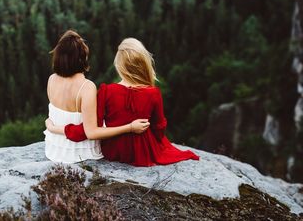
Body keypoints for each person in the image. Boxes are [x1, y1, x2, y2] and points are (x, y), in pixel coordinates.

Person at [46, 37, 199, 166]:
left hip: (112, 150)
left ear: (119, 66)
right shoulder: (153, 94)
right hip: (142, 153)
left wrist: (54, 128)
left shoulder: (107, 91)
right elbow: (159, 128)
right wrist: (157, 142)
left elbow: (89, 129)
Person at [44, 30, 149, 163]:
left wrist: (52, 128)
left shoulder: (51, 79)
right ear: (82, 58)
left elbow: (57, 117)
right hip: (79, 152)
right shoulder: (86, 87)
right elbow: (91, 133)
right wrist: (130, 127)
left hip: (54, 148)